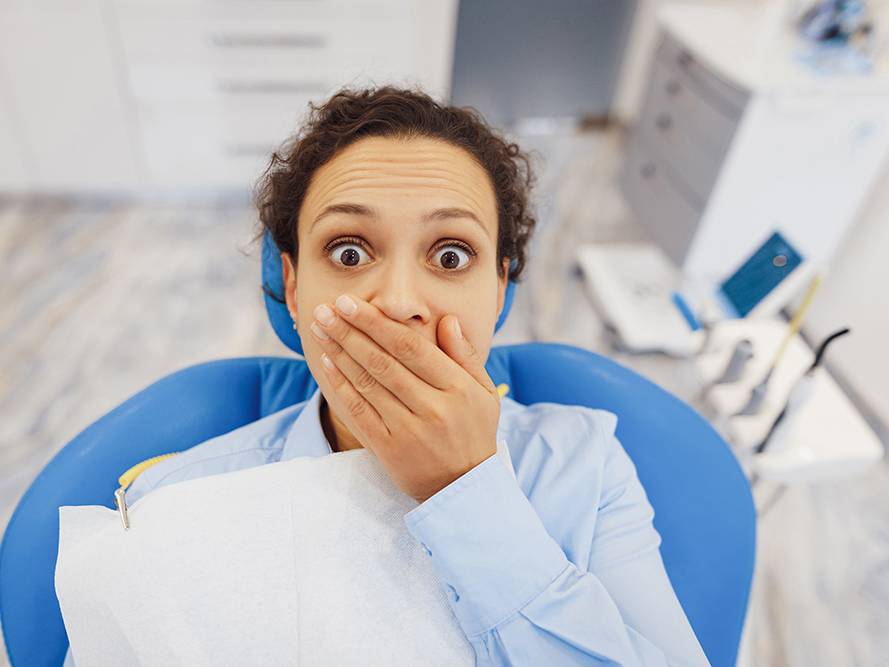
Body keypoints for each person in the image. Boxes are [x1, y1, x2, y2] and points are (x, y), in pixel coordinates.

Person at [100, 87, 710, 666]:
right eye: (348, 252)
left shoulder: (584, 466)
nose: (396, 301)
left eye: (451, 255)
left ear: (499, 290)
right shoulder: (179, 506)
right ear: (291, 286)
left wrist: (467, 492)